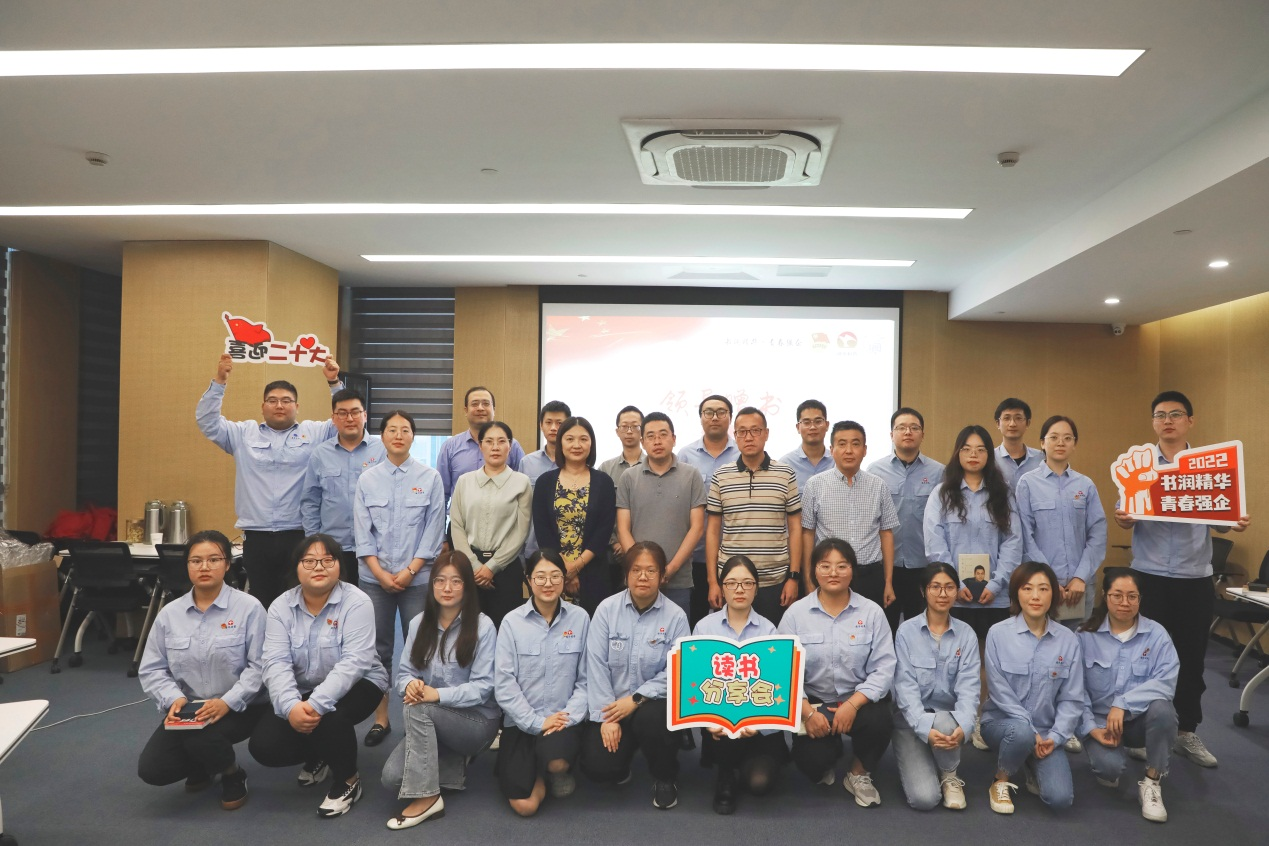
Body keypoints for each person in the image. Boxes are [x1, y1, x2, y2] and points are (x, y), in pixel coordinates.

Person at [1114, 390, 1249, 769]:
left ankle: (1186, 731)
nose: (1167, 421)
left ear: (1190, 421)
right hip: (1149, 577)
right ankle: (1139, 732)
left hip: (1194, 578)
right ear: (1153, 423)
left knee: (1190, 659)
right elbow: (1124, 513)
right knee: (1141, 657)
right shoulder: (1138, 464)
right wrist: (1124, 517)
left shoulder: (1209, 467)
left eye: (1175, 414)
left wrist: (1234, 518)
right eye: (1160, 415)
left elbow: (1223, 516)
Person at [249, 534, 389, 819]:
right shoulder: (280, 607)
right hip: (302, 688)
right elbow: (275, 662)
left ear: (339, 566)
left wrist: (314, 705)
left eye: (328, 560)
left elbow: (355, 662)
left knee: (330, 716)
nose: (319, 567)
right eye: (309, 561)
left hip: (362, 682)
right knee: (264, 747)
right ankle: (321, 753)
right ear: (296, 567)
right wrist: (291, 707)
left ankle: (349, 780)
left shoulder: (357, 601)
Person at [196, 353, 341, 607]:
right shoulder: (243, 434)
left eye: (287, 400)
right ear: (262, 407)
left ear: (297, 406)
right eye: (272, 401)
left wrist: (334, 383)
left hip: (298, 534)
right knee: (261, 601)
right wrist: (220, 381)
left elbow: (346, 420)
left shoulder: (314, 433)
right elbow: (207, 422)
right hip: (257, 536)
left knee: (300, 601)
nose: (279, 405)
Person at [137, 530, 266, 810]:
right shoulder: (170, 614)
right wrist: (174, 699)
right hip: (190, 709)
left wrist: (226, 702)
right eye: (196, 561)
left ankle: (232, 773)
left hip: (242, 705)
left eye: (213, 559)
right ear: (187, 566)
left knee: (200, 738)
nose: (204, 567)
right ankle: (206, 762)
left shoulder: (249, 608)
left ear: (227, 564)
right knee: (153, 769)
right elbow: (152, 669)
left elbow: (261, 666)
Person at [380, 551, 501, 829]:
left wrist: (436, 695)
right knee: (392, 778)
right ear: (432, 584)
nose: (447, 588)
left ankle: (429, 798)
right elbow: (404, 674)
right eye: (440, 580)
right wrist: (411, 685)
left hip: (476, 722)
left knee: (419, 708)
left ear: (467, 586)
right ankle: (453, 762)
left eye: (456, 581)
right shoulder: (418, 623)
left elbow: (484, 689)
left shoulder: (483, 626)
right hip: (433, 721)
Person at [778, 539, 896, 807]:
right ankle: (829, 750)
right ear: (814, 570)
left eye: (842, 566)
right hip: (814, 702)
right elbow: (783, 671)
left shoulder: (871, 612)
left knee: (880, 719)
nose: (833, 573)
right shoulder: (796, 614)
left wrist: (852, 705)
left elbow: (884, 667)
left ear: (852, 570)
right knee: (812, 765)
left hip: (858, 700)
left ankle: (858, 773)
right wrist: (808, 713)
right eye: (825, 566)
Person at [353, 410, 446, 747]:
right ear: (382, 436)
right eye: (391, 430)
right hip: (373, 579)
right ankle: (381, 718)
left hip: (417, 579)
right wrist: (380, 573)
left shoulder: (430, 477)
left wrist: (409, 572)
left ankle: (417, 716)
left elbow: (434, 530)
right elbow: (362, 532)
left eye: (405, 430)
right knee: (377, 650)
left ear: (413, 436)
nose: (398, 435)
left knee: (420, 646)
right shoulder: (367, 479)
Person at [581, 541, 690, 810]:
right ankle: (624, 760)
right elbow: (595, 664)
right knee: (598, 768)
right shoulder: (606, 610)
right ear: (626, 574)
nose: (643, 576)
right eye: (636, 570)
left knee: (653, 721)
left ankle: (665, 776)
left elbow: (678, 669)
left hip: (652, 705)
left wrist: (637, 699)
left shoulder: (676, 617)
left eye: (651, 571)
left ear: (662, 576)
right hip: (613, 705)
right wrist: (607, 718)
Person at [980, 561, 1084, 815]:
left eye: (1043, 589)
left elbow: (1072, 699)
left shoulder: (1068, 640)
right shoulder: (998, 634)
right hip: (1001, 724)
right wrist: (1030, 731)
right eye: (1027, 588)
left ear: (1054, 595)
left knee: (1060, 799)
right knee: (1022, 733)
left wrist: (1055, 737)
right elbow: (999, 692)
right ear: (1016, 593)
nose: (1035, 596)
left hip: (1046, 733)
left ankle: (1027, 759)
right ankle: (1000, 779)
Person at [494, 550, 591, 816]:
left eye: (555, 576)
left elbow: (586, 680)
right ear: (528, 580)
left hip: (562, 720)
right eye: (540, 577)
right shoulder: (512, 622)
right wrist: (536, 722)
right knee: (525, 806)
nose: (548, 583)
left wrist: (565, 719)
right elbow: (504, 684)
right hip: (522, 721)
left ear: (564, 578)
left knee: (557, 762)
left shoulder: (580, 618)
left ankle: (553, 768)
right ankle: (533, 768)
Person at [1077, 568, 1179, 823]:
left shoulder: (1157, 634)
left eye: (1132, 596)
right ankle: (1110, 760)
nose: (1125, 602)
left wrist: (1123, 704)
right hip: (1101, 724)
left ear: (1140, 599)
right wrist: (1091, 729)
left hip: (1138, 720)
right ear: (1105, 596)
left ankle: (1152, 782)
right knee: (1109, 771)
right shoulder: (1084, 635)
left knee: (1163, 710)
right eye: (1117, 595)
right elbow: (1074, 691)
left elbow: (1166, 682)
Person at [693, 555, 788, 815]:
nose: (739, 589)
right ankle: (725, 774)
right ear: (722, 588)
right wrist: (708, 721)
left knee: (759, 784)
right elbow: (695, 683)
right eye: (732, 583)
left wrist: (757, 724)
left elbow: (778, 687)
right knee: (726, 719)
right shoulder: (704, 628)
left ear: (756, 589)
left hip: (760, 726)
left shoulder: (769, 631)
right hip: (720, 726)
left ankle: (747, 763)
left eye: (747, 583)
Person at [891, 563, 980, 811]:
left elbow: (969, 688)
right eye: (935, 587)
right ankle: (929, 756)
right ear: (923, 591)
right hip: (910, 722)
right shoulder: (906, 632)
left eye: (949, 587)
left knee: (943, 720)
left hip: (947, 723)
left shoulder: (966, 634)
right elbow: (905, 689)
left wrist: (965, 725)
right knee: (924, 799)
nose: (942, 594)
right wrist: (923, 727)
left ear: (957, 591)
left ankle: (949, 774)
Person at [924, 425, 1023, 642]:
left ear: (989, 454)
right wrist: (955, 585)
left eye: (980, 449)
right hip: (953, 598)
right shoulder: (941, 495)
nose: (973, 455)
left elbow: (1013, 542)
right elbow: (935, 545)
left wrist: (996, 584)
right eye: (966, 449)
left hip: (995, 597)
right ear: (957, 453)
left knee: (993, 656)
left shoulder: (1003, 494)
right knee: (955, 654)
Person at [706, 407, 802, 624]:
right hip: (732, 581)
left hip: (775, 580)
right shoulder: (721, 476)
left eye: (755, 430)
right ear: (735, 435)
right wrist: (713, 582)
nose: (748, 437)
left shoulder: (785, 474)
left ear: (766, 434)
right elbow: (712, 531)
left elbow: (796, 528)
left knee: (772, 641)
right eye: (742, 432)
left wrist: (793, 578)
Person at [1015, 415, 1107, 629]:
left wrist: (1080, 577)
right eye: (1054, 437)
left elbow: (1098, 534)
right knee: (1041, 638)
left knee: (1079, 641)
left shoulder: (1085, 485)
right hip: (1041, 586)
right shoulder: (1027, 483)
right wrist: (1048, 580)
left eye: (1067, 438)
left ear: (1074, 444)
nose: (1060, 443)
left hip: (1080, 587)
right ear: (1042, 443)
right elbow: (1024, 536)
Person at [800, 421, 899, 615]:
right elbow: (807, 534)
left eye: (855, 444)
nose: (849, 450)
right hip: (830, 575)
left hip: (870, 574)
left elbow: (886, 534)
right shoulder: (815, 485)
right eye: (842, 444)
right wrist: (809, 581)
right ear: (832, 450)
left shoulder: (878, 485)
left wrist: (888, 582)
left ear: (865, 450)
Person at [615, 412, 706, 616]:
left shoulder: (691, 475)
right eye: (650, 436)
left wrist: (669, 569)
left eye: (663, 435)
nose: (657, 441)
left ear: (674, 439)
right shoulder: (628, 477)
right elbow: (622, 529)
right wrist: (641, 569)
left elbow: (697, 527)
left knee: (676, 633)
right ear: (642, 442)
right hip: (638, 580)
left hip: (678, 580)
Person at [867, 407, 945, 630]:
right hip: (885, 566)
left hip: (923, 565)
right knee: (885, 628)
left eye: (914, 428)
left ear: (923, 434)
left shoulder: (939, 472)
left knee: (921, 628)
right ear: (891, 434)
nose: (908, 432)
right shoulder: (875, 470)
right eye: (901, 428)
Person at [449, 420, 533, 628]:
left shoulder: (521, 482)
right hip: (469, 566)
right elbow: (456, 526)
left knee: (505, 629)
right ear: (480, 445)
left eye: (501, 441)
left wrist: (492, 567)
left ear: (510, 446)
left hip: (506, 567)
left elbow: (521, 530)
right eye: (489, 441)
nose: (495, 447)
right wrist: (475, 565)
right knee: (468, 630)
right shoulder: (464, 481)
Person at [531, 416, 617, 614]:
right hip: (552, 572)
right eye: (570, 439)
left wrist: (574, 567)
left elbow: (603, 531)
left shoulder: (604, 482)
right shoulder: (545, 482)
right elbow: (542, 529)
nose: (576, 445)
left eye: (583, 439)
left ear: (591, 444)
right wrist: (563, 568)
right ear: (560, 443)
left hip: (594, 570)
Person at [301, 389, 386, 584]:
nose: (349, 418)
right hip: (332, 549)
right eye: (342, 413)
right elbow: (310, 502)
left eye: (355, 412)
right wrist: (315, 541)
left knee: (370, 602)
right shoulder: (320, 454)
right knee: (333, 600)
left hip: (375, 548)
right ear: (333, 418)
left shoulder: (383, 451)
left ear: (365, 415)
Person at [679, 395, 740, 626]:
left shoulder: (742, 453)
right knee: (695, 620)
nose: (715, 417)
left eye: (721, 412)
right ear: (701, 417)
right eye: (709, 412)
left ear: (730, 417)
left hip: (733, 554)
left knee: (733, 620)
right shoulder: (685, 455)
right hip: (694, 555)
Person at [435, 386, 526, 503]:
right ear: (466, 410)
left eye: (486, 404)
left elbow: (522, 487)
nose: (480, 408)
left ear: (494, 409)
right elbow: (441, 493)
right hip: (462, 514)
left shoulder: (511, 445)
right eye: (475, 404)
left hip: (502, 514)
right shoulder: (450, 447)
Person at [519, 400, 572, 561]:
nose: (553, 428)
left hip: (570, 547)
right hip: (533, 547)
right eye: (548, 422)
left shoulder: (579, 464)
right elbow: (520, 508)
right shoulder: (527, 463)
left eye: (559, 423)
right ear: (541, 425)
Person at [600, 405, 646, 588]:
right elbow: (601, 512)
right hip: (613, 553)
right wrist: (615, 542)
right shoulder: (606, 468)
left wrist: (635, 547)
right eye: (624, 426)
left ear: (643, 430)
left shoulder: (654, 466)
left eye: (635, 426)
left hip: (646, 551)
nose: (629, 431)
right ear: (617, 431)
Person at [779, 399, 833, 491]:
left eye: (818, 421)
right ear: (798, 427)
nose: (812, 427)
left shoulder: (836, 462)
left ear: (827, 425)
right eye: (806, 422)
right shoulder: (785, 464)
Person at [994, 398, 1045, 492]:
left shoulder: (1042, 459)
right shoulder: (990, 459)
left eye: (1018, 418)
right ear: (998, 423)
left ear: (1027, 423)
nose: (1012, 424)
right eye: (1006, 418)